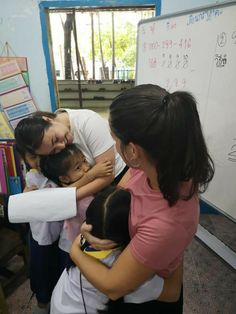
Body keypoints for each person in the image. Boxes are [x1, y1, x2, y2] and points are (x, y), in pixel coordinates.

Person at [70, 84, 215, 313]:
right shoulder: (154, 165)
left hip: (149, 297)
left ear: (133, 151)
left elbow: (113, 287)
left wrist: (75, 249)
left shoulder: (165, 223)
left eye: (114, 138)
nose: (114, 146)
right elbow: (121, 193)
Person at [50, 186, 171, 314]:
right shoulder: (126, 265)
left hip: (60, 299)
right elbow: (172, 292)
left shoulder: (85, 237)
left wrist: (75, 249)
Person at [14, 109, 128, 200]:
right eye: (53, 151)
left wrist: (62, 199)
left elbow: (107, 175)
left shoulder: (88, 122)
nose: (61, 146)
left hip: (119, 178)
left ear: (48, 120)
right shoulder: (45, 146)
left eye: (55, 139)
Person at [17, 148, 65, 314]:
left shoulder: (57, 170)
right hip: (41, 237)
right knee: (42, 273)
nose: (39, 160)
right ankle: (42, 303)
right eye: (32, 157)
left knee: (58, 270)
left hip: (59, 235)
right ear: (24, 159)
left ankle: (54, 300)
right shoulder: (32, 177)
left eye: (42, 155)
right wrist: (25, 195)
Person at [40, 143, 113, 243]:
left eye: (84, 160)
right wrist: (91, 175)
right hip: (86, 242)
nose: (86, 167)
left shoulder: (76, 190)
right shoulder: (82, 201)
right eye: (78, 168)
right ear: (64, 178)